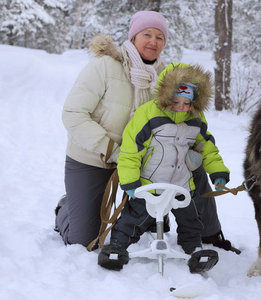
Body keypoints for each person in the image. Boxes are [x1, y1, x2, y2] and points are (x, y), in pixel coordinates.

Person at [54, 10, 239, 255]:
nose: (153, 41)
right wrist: (111, 149)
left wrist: (199, 153)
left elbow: (186, 118)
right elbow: (73, 114)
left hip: (144, 159)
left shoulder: (168, 78)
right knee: (83, 242)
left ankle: (210, 233)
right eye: (147, 34)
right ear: (133, 37)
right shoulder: (105, 67)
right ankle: (68, 206)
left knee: (194, 165)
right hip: (92, 157)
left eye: (160, 37)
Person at [98, 62, 229, 272]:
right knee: (133, 219)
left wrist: (218, 173)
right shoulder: (148, 114)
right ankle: (117, 247)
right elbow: (131, 150)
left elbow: (207, 149)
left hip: (181, 184)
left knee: (191, 220)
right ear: (166, 96)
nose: (181, 107)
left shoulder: (196, 120)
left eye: (187, 103)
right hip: (150, 183)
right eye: (176, 101)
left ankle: (194, 250)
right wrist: (130, 181)